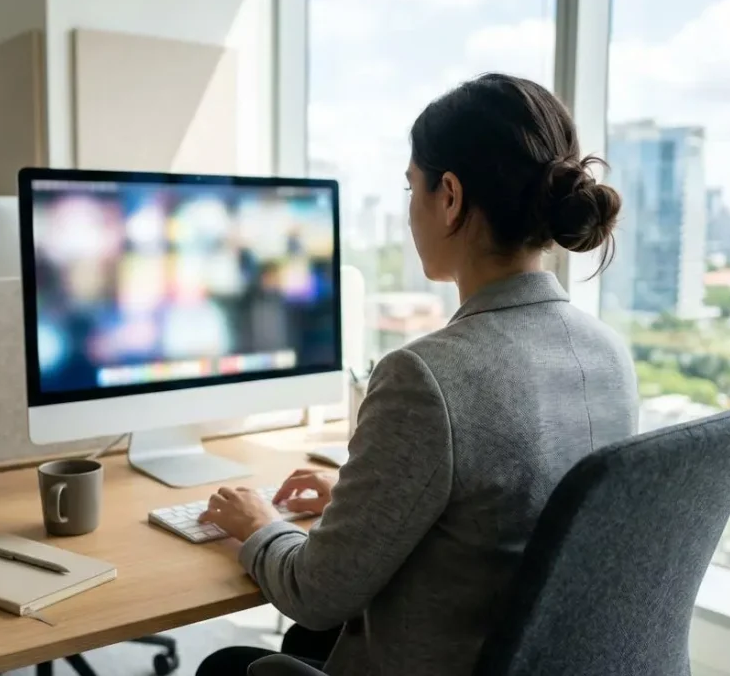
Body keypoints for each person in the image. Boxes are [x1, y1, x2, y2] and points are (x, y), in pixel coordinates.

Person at [195, 73, 639, 676]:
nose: (409, 211)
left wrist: (259, 523)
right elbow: (511, 527)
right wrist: (367, 511)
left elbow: (314, 597)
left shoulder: (426, 376)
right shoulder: (609, 353)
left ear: (450, 197)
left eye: (412, 187)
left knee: (231, 664)